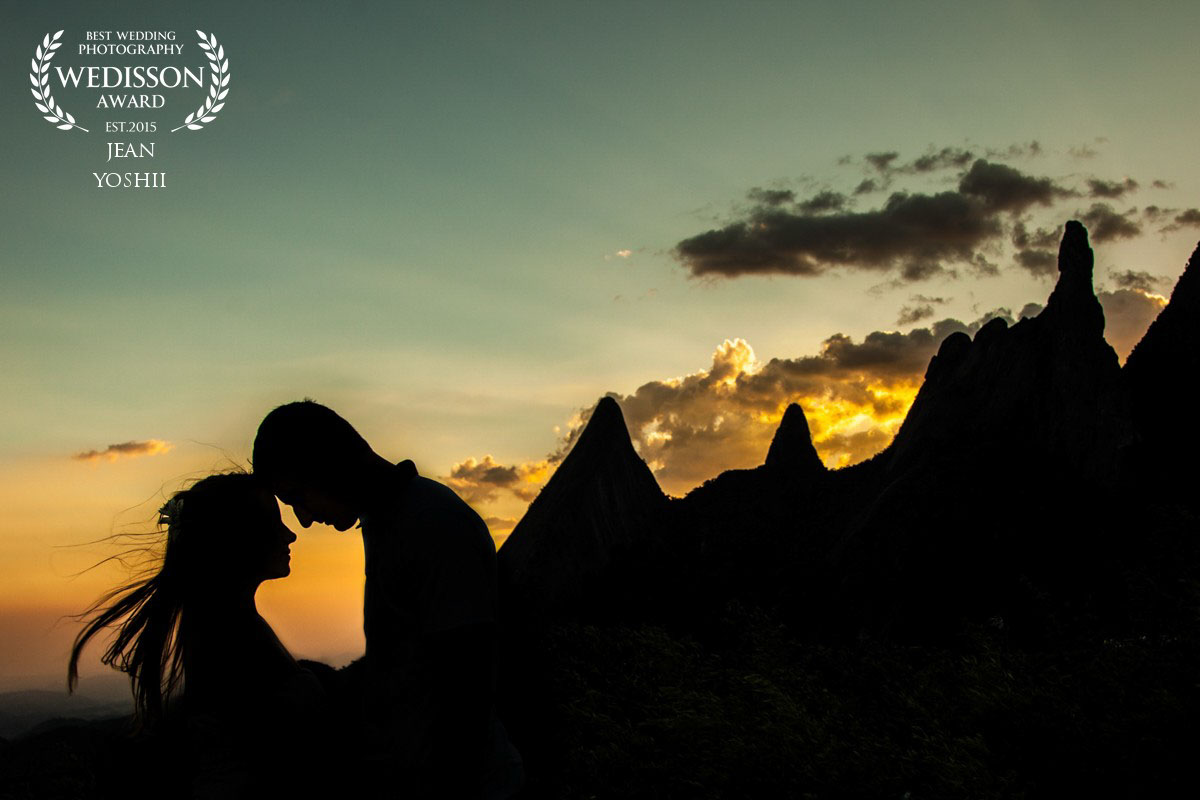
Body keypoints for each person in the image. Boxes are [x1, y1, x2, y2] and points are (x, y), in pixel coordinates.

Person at [252, 400, 522, 799]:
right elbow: (414, 657)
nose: (304, 519)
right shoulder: (389, 522)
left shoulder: (433, 525)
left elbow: (467, 686)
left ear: (326, 464)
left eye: (296, 497)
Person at [68, 472, 329, 797]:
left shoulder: (221, 625)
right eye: (272, 523)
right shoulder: (231, 638)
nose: (290, 535)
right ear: (235, 540)